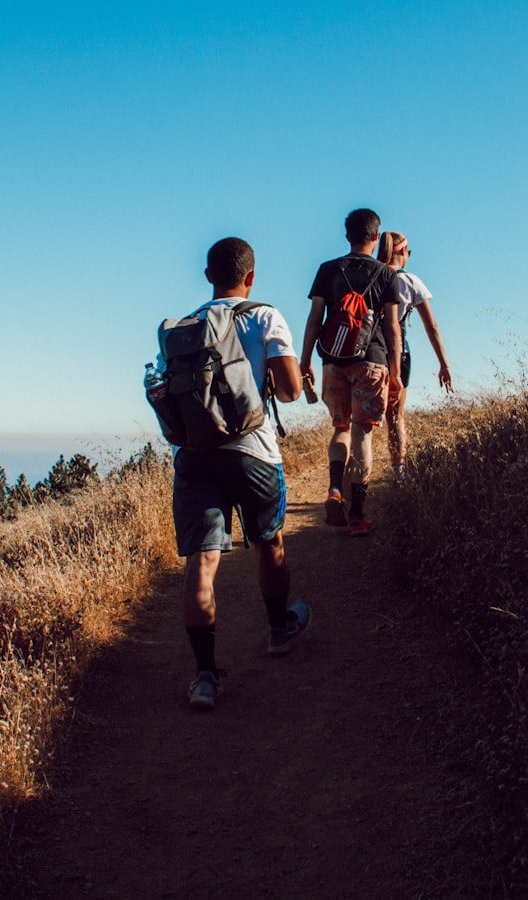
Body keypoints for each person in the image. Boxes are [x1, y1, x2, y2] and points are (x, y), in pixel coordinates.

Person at [158, 237, 309, 711]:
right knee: (270, 541)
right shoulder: (265, 316)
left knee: (201, 565)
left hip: (197, 455)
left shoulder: (184, 329)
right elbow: (288, 393)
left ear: (207, 276)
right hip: (253, 453)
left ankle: (205, 676)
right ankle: (279, 629)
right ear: (251, 277)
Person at [299, 208, 402, 536]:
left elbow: (315, 318)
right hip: (371, 362)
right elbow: (392, 328)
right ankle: (357, 515)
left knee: (340, 428)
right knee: (362, 433)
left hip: (333, 361)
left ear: (347, 236)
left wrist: (304, 362)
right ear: (376, 237)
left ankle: (334, 489)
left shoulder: (328, 269)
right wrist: (396, 372)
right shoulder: (387, 275)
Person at [376, 230, 453, 474]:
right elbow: (432, 326)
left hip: (370, 352)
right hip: (400, 353)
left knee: (361, 419)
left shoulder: (372, 275)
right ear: (401, 252)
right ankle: (399, 471)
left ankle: (355, 478)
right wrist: (444, 364)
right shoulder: (410, 281)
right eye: (408, 252)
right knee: (395, 416)